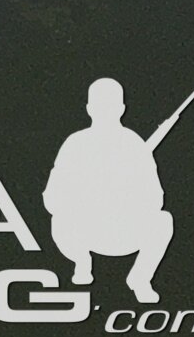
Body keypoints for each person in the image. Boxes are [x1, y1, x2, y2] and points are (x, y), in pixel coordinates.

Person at [46, 77, 175, 304]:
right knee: (58, 220)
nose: (105, 111)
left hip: (125, 231)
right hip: (84, 231)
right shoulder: (75, 143)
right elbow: (52, 196)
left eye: (110, 106)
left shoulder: (135, 145)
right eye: (101, 106)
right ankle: (82, 262)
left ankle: (140, 278)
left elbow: (156, 199)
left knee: (164, 221)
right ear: (89, 109)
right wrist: (85, 201)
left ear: (122, 109)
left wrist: (125, 198)